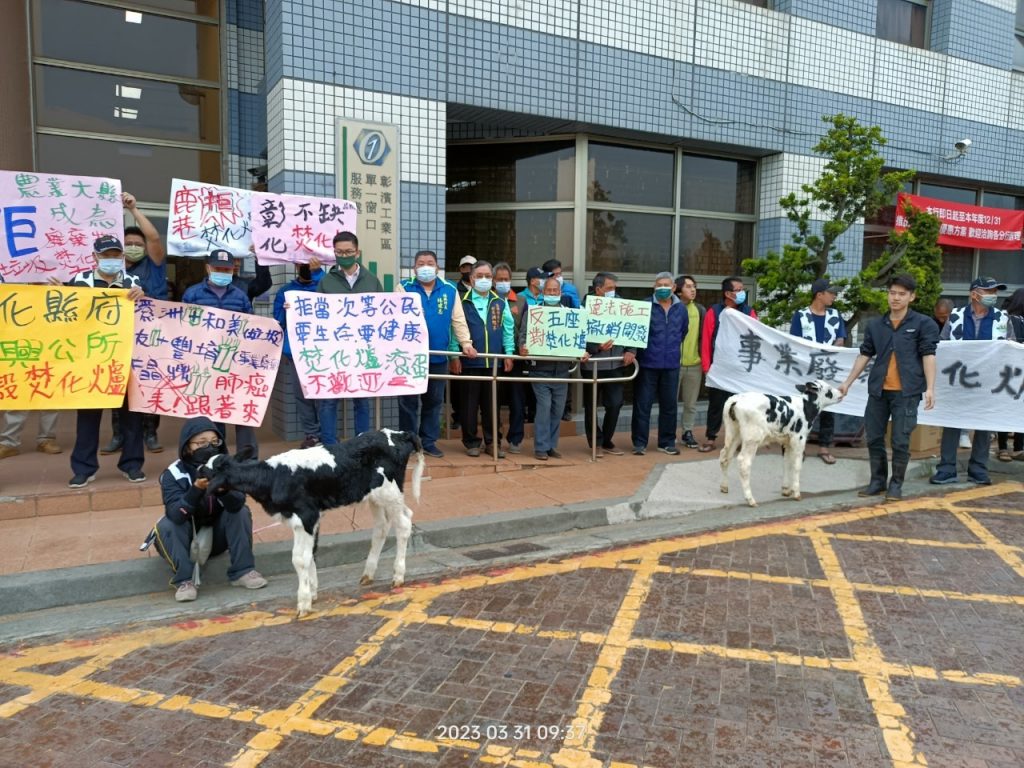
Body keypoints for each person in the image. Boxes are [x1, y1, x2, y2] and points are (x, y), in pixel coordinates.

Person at [839, 274, 938, 501]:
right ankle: (877, 482)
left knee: (900, 441)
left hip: (907, 392)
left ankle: (896, 485)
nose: (896, 298)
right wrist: (847, 382)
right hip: (878, 391)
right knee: (874, 437)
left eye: (902, 294)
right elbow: (865, 354)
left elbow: (929, 355)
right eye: (892, 293)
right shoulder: (876, 325)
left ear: (912, 297)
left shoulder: (923, 324)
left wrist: (931, 388)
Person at [153, 417, 267, 602]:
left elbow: (237, 503)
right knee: (168, 524)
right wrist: (196, 490)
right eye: (202, 443)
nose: (210, 447)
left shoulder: (227, 467)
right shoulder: (173, 473)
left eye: (215, 442)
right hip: (184, 540)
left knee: (241, 511)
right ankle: (184, 581)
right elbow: (175, 514)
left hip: (216, 539)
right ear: (187, 447)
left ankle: (243, 571)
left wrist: (223, 491)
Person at [63, 236, 147, 488]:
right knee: (88, 418)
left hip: (125, 359)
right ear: (95, 257)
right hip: (91, 361)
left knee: (131, 417)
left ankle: (132, 465)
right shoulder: (79, 281)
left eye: (115, 255)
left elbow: (145, 316)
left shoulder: (132, 282)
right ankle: (83, 468)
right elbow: (66, 315)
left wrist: (143, 297)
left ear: (122, 257)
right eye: (106, 255)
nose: (111, 259)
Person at [930, 276, 1015, 485]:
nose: (993, 295)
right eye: (988, 291)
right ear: (974, 294)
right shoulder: (956, 316)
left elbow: (1011, 348)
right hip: (958, 379)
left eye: (994, 292)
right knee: (952, 423)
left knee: (984, 425)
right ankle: (946, 469)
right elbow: (943, 344)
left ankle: (978, 469)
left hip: (989, 381)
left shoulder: (1002, 318)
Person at [106, 192, 168, 455]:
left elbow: (153, 238)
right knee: (118, 383)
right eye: (128, 243)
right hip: (120, 334)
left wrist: (134, 210)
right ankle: (118, 434)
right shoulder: (112, 269)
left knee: (150, 382)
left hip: (152, 333)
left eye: (137, 243)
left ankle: (150, 432)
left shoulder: (154, 265)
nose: (133, 246)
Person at [182, 248, 259, 458]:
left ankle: (248, 461)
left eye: (227, 269)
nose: (223, 272)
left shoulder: (240, 296)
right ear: (208, 268)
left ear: (233, 269)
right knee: (211, 413)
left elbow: (251, 327)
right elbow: (183, 327)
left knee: (242, 411)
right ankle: (215, 458)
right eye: (218, 268)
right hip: (204, 363)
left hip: (235, 364)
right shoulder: (192, 294)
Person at [398, 249, 475, 458]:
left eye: (430, 263)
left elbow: (458, 319)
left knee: (433, 402)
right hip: (410, 358)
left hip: (438, 355)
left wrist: (466, 344)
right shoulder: (403, 287)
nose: (426, 267)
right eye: (421, 263)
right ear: (414, 268)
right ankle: (408, 443)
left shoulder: (449, 289)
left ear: (437, 267)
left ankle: (428, 442)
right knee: (408, 403)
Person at [316, 231, 379, 443]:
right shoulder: (326, 282)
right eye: (340, 252)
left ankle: (361, 444)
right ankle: (330, 446)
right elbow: (315, 313)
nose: (344, 255)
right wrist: (295, 308)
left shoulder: (372, 280)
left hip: (362, 350)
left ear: (357, 252)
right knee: (328, 400)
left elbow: (383, 313)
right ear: (334, 253)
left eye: (348, 251)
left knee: (362, 400)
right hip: (333, 350)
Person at [458, 260, 515, 457]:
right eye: (479, 276)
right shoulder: (462, 301)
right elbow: (454, 329)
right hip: (470, 361)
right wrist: (454, 354)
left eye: (488, 276)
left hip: (494, 362)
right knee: (469, 405)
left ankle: (492, 442)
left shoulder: (500, 301)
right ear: (472, 278)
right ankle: (471, 442)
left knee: (492, 405)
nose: (484, 279)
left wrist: (509, 353)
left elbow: (508, 329)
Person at [790, 278, 847, 465]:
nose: (834, 296)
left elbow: (840, 339)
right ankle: (800, 446)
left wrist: (833, 348)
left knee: (828, 407)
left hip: (828, 368)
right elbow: (795, 342)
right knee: (803, 407)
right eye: (831, 293)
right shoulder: (801, 316)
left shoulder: (835, 315)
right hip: (806, 369)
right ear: (819, 294)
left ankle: (824, 446)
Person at [631, 272, 688, 456]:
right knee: (643, 405)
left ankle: (666, 442)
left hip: (671, 364)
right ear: (654, 287)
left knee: (669, 405)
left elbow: (683, 331)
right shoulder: (644, 306)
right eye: (659, 285)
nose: (662, 288)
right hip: (647, 363)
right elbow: (636, 331)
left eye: (666, 285)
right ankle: (639, 443)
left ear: (673, 287)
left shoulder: (681, 309)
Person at [698, 276, 757, 452]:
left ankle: (740, 439)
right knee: (716, 405)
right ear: (727, 293)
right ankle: (711, 437)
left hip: (741, 369)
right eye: (738, 290)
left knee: (742, 406)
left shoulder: (749, 312)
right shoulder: (714, 312)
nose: (742, 293)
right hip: (720, 368)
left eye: (742, 289)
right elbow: (706, 340)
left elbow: (756, 337)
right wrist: (707, 366)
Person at [519, 276, 575, 460]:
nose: (552, 293)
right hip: (540, 370)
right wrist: (522, 348)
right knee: (544, 407)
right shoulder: (534, 313)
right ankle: (541, 447)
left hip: (562, 371)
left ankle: (551, 445)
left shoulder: (569, 314)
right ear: (543, 292)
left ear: (560, 293)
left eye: (555, 290)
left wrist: (580, 351)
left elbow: (577, 338)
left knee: (557, 410)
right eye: (548, 290)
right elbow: (523, 335)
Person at [273, 261, 325, 448]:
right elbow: (278, 322)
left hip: (324, 350)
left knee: (323, 395)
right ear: (295, 264)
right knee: (303, 395)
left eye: (309, 262)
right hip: (297, 352)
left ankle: (326, 433)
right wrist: (285, 311)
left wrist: (318, 272)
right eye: (301, 262)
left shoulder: (325, 286)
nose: (306, 266)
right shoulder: (286, 291)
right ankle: (312, 434)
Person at [582, 272, 635, 457]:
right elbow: (577, 336)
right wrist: (596, 347)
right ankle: (595, 442)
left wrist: (631, 350)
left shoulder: (623, 306)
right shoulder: (584, 307)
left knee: (615, 404)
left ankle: (606, 440)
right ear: (598, 290)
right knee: (591, 406)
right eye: (609, 288)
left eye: (614, 288)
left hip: (615, 364)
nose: (613, 291)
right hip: (593, 365)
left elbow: (634, 329)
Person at [493, 261, 525, 451]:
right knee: (493, 400)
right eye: (499, 279)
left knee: (517, 400)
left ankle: (515, 438)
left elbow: (525, 329)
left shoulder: (520, 301)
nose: (503, 282)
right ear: (493, 281)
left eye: (506, 279)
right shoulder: (488, 299)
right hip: (493, 356)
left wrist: (518, 349)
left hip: (515, 357)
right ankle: (494, 439)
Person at [674, 274, 705, 449]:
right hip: (673, 364)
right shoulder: (672, 308)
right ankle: (669, 433)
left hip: (694, 364)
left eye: (694, 286)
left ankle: (687, 432)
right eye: (688, 286)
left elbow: (704, 336)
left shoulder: (699, 310)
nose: (693, 290)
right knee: (670, 402)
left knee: (691, 404)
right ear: (678, 291)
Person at [515, 266, 548, 426]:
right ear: (533, 280)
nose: (545, 281)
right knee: (523, 386)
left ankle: (534, 414)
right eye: (542, 278)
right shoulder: (520, 298)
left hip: (542, 350)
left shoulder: (546, 298)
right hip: (524, 348)